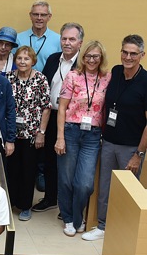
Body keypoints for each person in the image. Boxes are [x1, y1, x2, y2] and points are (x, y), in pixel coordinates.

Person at [82, 35, 147, 242]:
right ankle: (102, 226)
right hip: (109, 142)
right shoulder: (116, 72)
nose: (128, 57)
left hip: (131, 147)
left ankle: (123, 233)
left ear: (142, 55)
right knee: (105, 187)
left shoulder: (145, 81)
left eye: (133, 54)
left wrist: (139, 154)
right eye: (125, 52)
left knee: (127, 191)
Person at [55, 41, 110, 237]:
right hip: (70, 131)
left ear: (101, 58)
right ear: (82, 57)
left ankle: (77, 217)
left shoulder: (107, 78)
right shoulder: (73, 76)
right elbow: (62, 108)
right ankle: (69, 219)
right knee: (66, 179)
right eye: (88, 56)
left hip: (93, 135)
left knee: (85, 183)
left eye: (96, 56)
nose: (91, 60)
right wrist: (60, 137)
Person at [34, 23, 84, 213]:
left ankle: (68, 205)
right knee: (49, 159)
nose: (67, 43)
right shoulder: (54, 59)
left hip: (72, 120)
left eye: (72, 39)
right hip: (51, 114)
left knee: (68, 163)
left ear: (80, 43)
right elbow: (44, 86)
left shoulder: (84, 64)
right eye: (64, 39)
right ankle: (50, 198)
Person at [6, 46, 50, 221]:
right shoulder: (9, 78)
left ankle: (25, 206)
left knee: (28, 170)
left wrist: (41, 133)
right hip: (11, 133)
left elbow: (46, 108)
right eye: (19, 58)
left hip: (32, 134)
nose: (22, 61)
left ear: (33, 61)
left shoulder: (40, 79)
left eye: (26, 58)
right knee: (11, 170)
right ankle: (9, 203)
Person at [16, 0, 60, 72]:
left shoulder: (58, 40)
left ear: (49, 17)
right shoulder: (18, 38)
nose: (39, 18)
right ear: (30, 16)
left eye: (43, 15)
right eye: (36, 14)